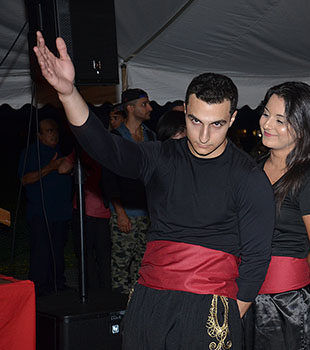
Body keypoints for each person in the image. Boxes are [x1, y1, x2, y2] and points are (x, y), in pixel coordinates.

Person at [33, 31, 275, 349]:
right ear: (183, 112)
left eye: (215, 124)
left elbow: (257, 260)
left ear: (231, 119)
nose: (203, 136)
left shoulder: (249, 178)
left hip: (212, 307)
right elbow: (106, 148)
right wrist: (68, 94)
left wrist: (225, 317)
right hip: (151, 301)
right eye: (194, 120)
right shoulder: (161, 157)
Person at [243, 82, 310, 350]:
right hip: (247, 293)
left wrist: (286, 270)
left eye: (280, 120)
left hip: (286, 302)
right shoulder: (253, 169)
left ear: (304, 127)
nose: (267, 124)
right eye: (265, 114)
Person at [102, 88, 156, 294]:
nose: (150, 108)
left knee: (143, 267)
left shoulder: (151, 136)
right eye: (144, 104)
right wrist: (120, 212)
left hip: (148, 214)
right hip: (125, 214)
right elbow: (109, 179)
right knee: (120, 266)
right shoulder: (116, 137)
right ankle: (117, 312)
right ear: (130, 108)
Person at [18, 118, 72, 295]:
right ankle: (39, 289)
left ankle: (58, 284)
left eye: (55, 130)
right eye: (49, 131)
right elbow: (25, 179)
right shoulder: (31, 152)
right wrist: (49, 167)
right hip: (40, 212)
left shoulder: (61, 151)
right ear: (39, 135)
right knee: (41, 251)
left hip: (61, 211)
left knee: (58, 251)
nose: (54, 134)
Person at [59, 148, 112, 290]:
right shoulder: (87, 150)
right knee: (95, 255)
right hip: (91, 211)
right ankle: (98, 292)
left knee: (94, 255)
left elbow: (62, 169)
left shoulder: (89, 149)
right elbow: (62, 169)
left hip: (96, 211)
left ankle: (98, 293)